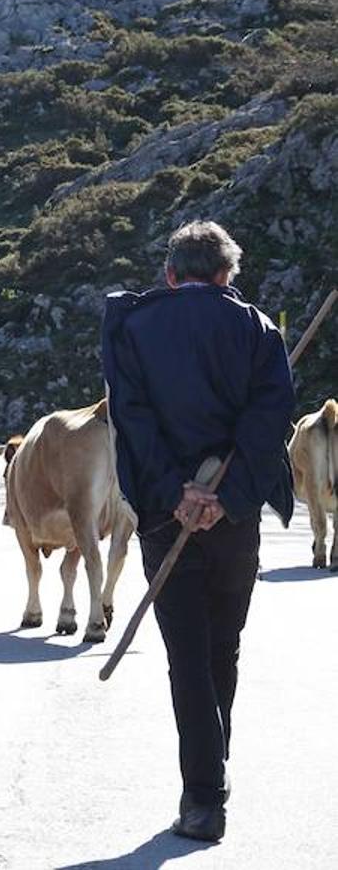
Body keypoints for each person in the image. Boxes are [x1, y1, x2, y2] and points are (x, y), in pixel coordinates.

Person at [102, 220, 294, 842]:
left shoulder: (131, 328)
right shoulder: (258, 330)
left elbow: (130, 421)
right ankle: (215, 767)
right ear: (225, 276)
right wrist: (226, 499)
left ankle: (204, 796)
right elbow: (270, 424)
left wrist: (175, 495)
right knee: (222, 646)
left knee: (187, 655)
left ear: (170, 274)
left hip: (165, 519)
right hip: (233, 522)